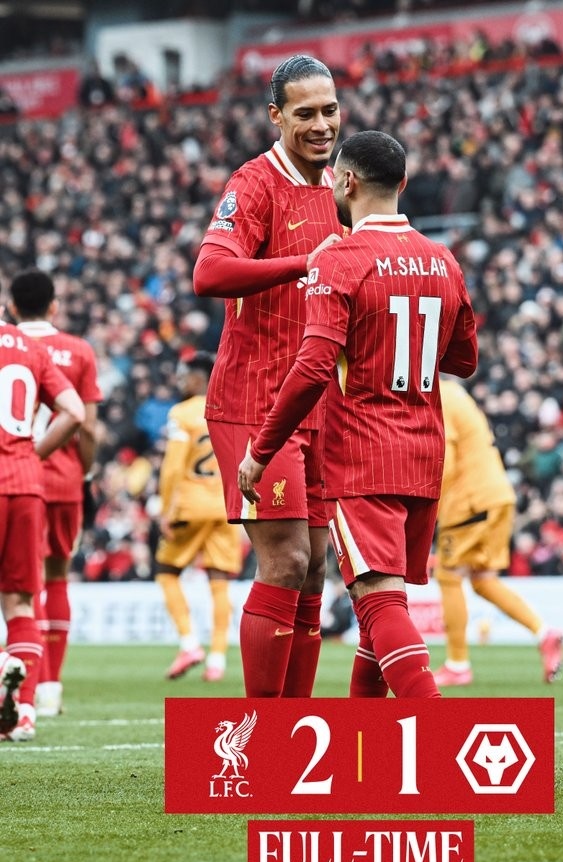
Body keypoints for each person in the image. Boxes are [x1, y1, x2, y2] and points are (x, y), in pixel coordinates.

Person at [238, 130, 478, 699]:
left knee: (379, 603)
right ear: (403, 183)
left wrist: (261, 450)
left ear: (345, 182)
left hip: (365, 454)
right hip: (424, 454)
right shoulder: (443, 260)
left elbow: (313, 367)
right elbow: (464, 360)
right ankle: (365, 743)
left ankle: (438, 734)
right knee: (377, 615)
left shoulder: (340, 260)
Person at [193, 55, 344, 698]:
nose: (321, 124)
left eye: (329, 110)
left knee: (313, 572)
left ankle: (297, 725)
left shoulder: (339, 186)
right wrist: (303, 262)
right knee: (285, 560)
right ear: (276, 116)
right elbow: (209, 273)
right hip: (255, 402)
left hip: (318, 404)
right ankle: (262, 733)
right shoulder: (254, 183)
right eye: (305, 113)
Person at [10, 269, 103, 718]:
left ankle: (24, 681)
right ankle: (49, 689)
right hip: (63, 480)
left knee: (19, 588)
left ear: (12, 307)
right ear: (54, 306)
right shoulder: (79, 350)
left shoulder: (10, 347)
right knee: (56, 577)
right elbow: (88, 427)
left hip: (12, 475)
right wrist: (84, 473)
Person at [432, 377, 563, 687]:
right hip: (496, 494)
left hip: (469, 500)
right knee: (482, 580)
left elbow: (445, 462)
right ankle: (544, 632)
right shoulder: (457, 394)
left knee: (448, 575)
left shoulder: (439, 396)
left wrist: (429, 507)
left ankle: (457, 664)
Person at [0, 315, 85, 741]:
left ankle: (4, 665)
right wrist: (32, 457)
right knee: (20, 604)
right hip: (26, 485)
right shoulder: (30, 348)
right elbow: (75, 412)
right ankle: (25, 714)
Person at [155, 352, 242, 682]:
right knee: (219, 582)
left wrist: (166, 509)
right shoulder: (231, 408)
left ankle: (190, 644)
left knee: (166, 572)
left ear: (199, 377)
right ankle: (217, 659)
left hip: (190, 507)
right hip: (225, 506)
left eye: (185, 376)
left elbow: (173, 467)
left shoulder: (182, 413)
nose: (181, 381)